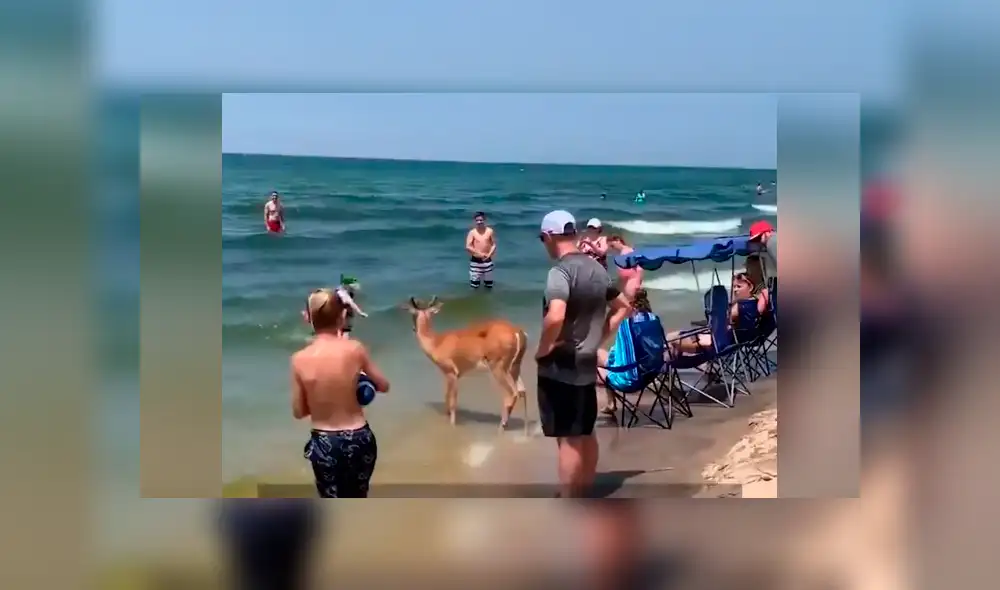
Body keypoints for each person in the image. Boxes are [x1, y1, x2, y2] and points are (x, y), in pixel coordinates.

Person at [536, 210, 632, 498]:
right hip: (586, 362)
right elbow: (623, 307)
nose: (544, 244)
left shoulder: (560, 272)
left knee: (567, 438)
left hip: (560, 365)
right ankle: (584, 491)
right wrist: (598, 337)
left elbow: (556, 317)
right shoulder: (597, 270)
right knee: (585, 431)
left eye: (543, 239)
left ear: (550, 236)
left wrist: (543, 349)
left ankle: (567, 497)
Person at [294, 289, 390, 498]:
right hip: (360, 437)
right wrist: (360, 382)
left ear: (307, 318)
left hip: (325, 442)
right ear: (343, 316)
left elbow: (299, 411)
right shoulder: (355, 349)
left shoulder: (299, 359)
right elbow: (383, 385)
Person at [665, 272, 766, 358]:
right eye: (734, 287)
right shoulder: (754, 304)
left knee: (671, 338)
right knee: (680, 337)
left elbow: (721, 323)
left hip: (720, 343)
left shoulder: (738, 307)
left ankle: (665, 373)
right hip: (734, 341)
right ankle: (706, 370)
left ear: (750, 287)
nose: (735, 290)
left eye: (739, 286)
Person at [596, 288, 660, 417]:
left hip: (631, 379)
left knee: (588, 366)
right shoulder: (653, 319)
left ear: (630, 305)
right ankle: (610, 403)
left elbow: (623, 359)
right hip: (651, 372)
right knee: (598, 352)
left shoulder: (628, 325)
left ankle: (582, 412)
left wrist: (610, 359)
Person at [606, 235, 644, 302]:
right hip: (628, 283)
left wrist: (637, 284)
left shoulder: (627, 252)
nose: (613, 248)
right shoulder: (623, 252)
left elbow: (639, 268)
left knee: (632, 304)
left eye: (612, 246)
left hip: (632, 283)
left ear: (618, 240)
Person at [465, 211, 496, 289]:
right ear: (475, 221)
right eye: (477, 220)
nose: (479, 222)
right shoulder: (472, 232)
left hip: (487, 261)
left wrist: (489, 255)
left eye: (481, 220)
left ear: (484, 220)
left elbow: (493, 245)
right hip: (475, 261)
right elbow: (468, 246)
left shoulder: (490, 231)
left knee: (489, 285)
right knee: (474, 286)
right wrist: (480, 254)